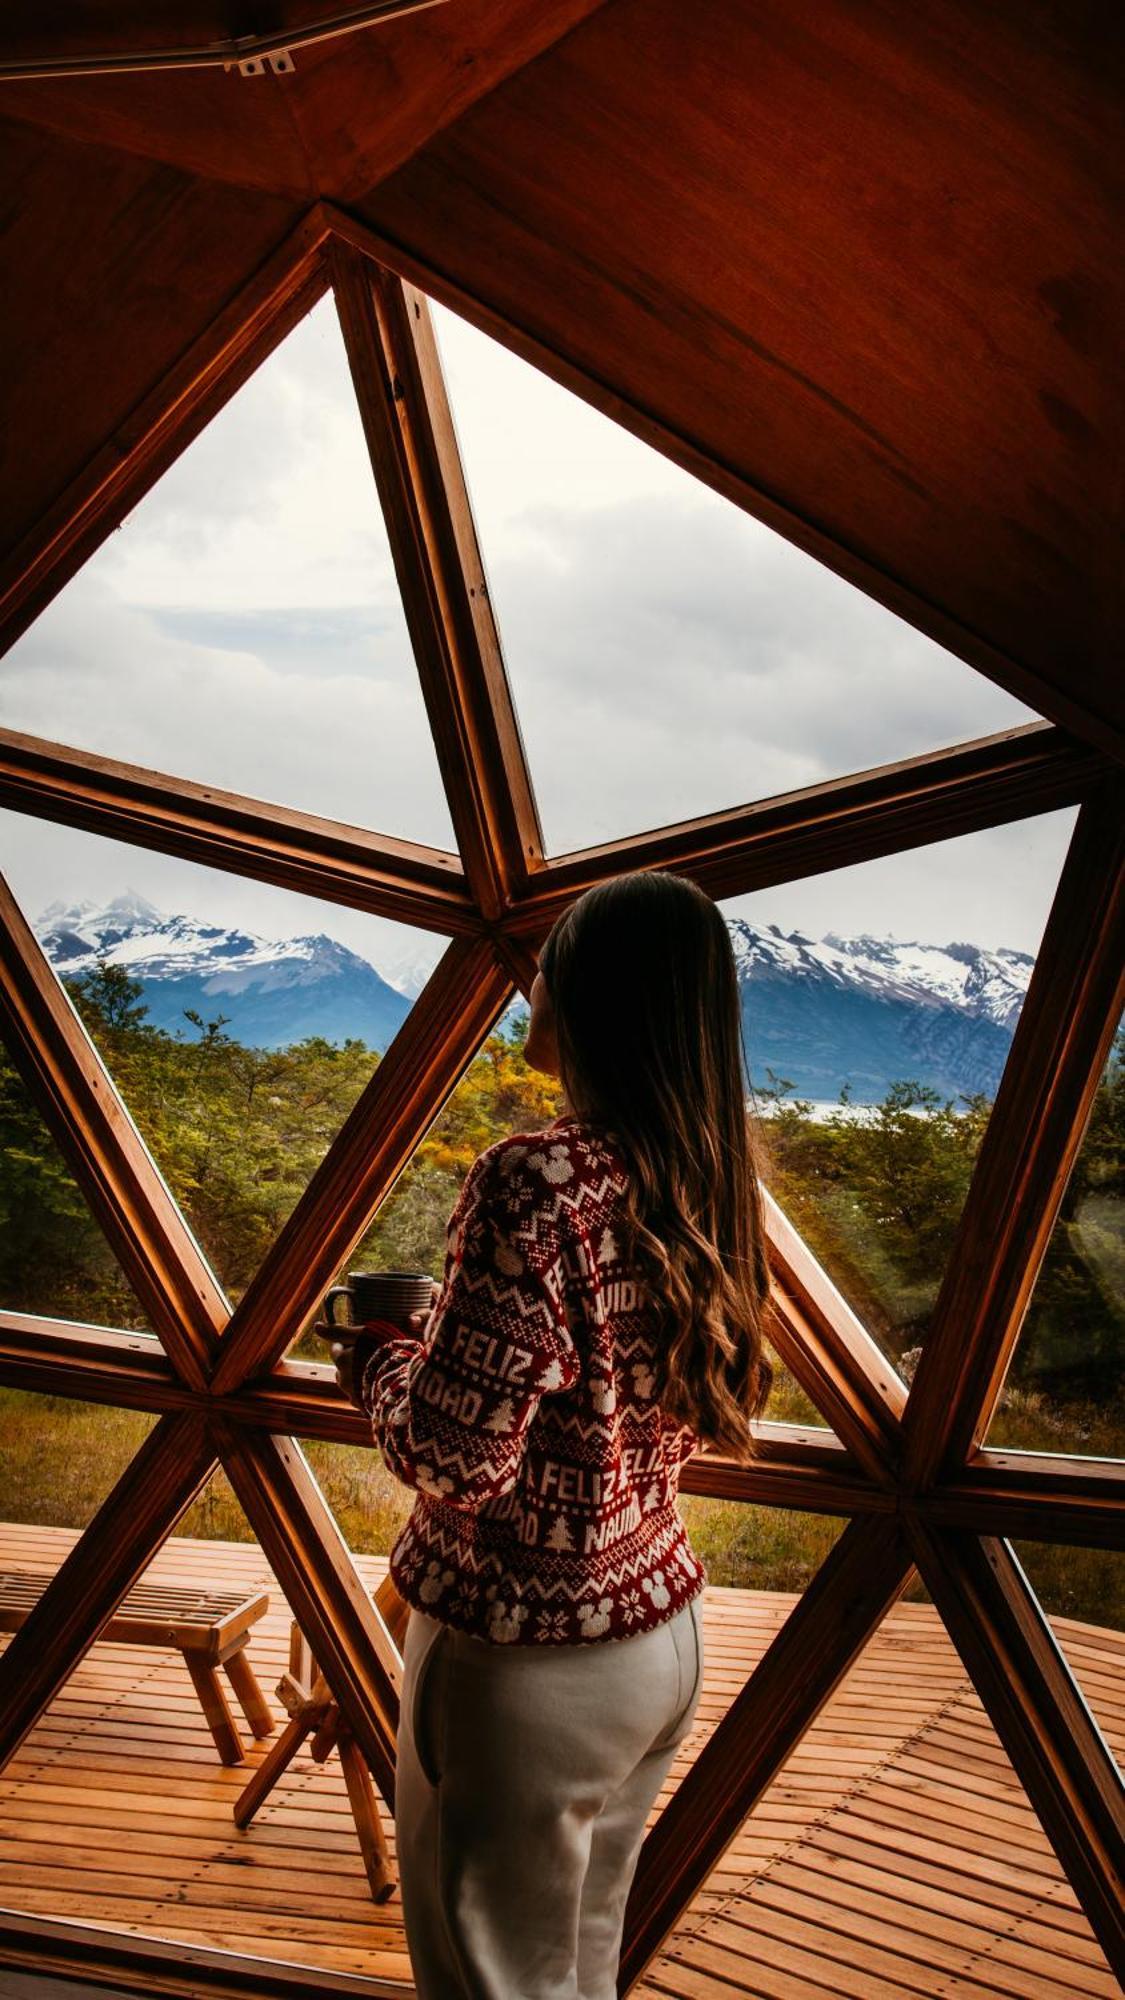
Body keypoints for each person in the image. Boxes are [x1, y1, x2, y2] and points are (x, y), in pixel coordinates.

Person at [331, 867, 773, 1999]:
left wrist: (378, 1359)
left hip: (526, 1652)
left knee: (489, 1979)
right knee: (578, 1965)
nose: (536, 984)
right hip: (657, 1630)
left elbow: (453, 1456)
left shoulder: (536, 1177)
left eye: (555, 961)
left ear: (592, 994)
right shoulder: (709, 1172)